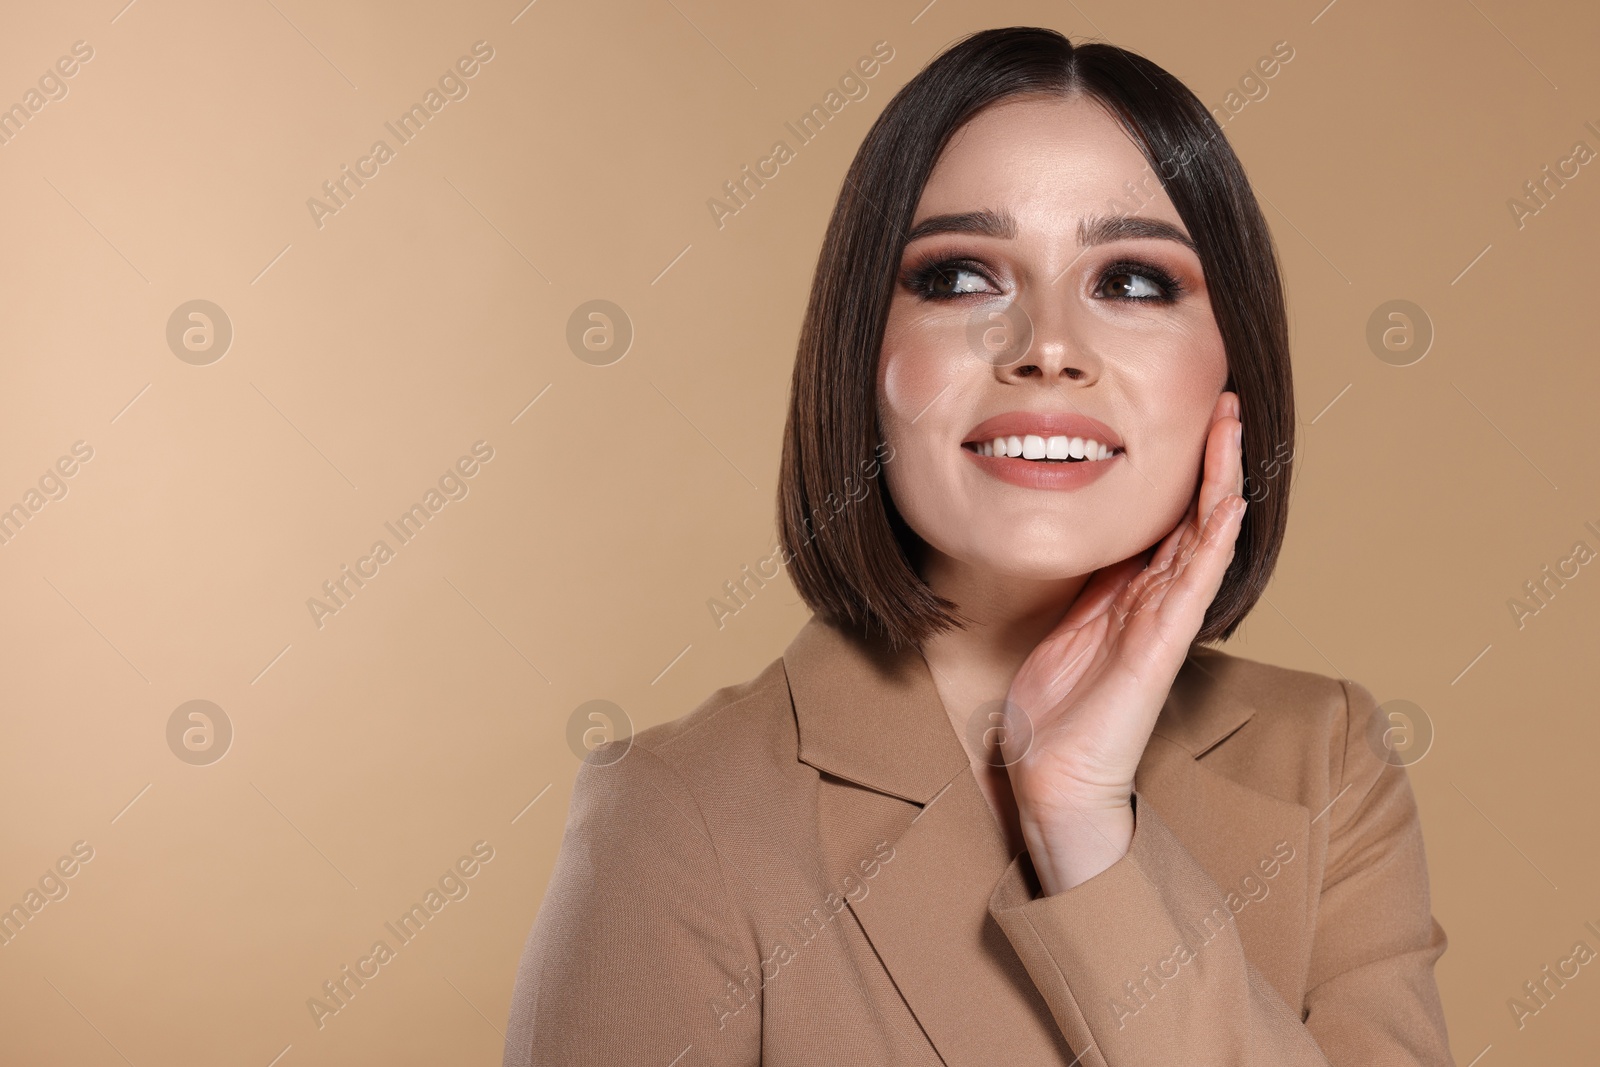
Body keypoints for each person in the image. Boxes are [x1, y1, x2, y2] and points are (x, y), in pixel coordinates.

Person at [503, 25, 1453, 1066]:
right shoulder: (678, 815)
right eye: (959, 277)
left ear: (1234, 364)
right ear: (863, 353)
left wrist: (1090, 823)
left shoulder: (1324, 757)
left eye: (1131, 281)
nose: (1045, 346)